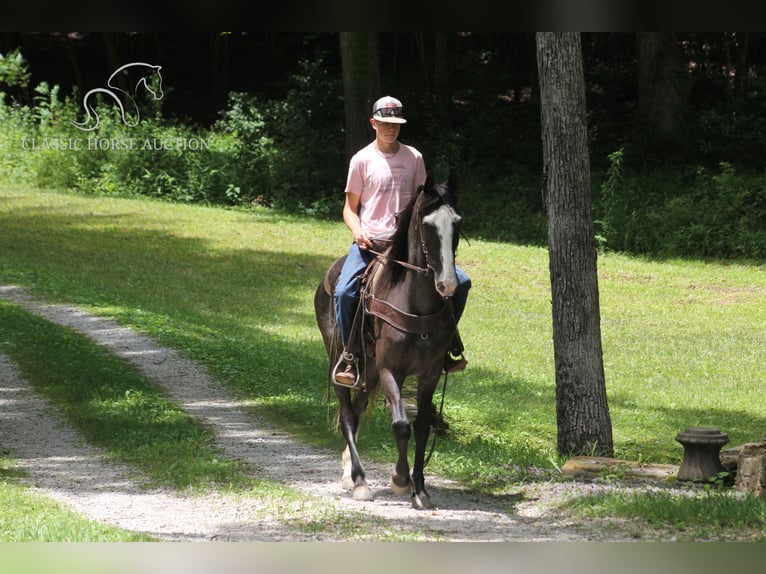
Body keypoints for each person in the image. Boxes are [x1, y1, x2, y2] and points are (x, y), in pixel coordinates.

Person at [333, 95, 471, 387]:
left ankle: (447, 346)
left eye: (395, 124)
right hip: (371, 245)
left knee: (462, 282)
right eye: (385, 123)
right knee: (344, 291)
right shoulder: (361, 160)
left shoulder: (414, 158)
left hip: (406, 249)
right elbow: (349, 207)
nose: (390, 129)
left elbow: (424, 203)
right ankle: (350, 355)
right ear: (374, 123)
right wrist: (358, 231)